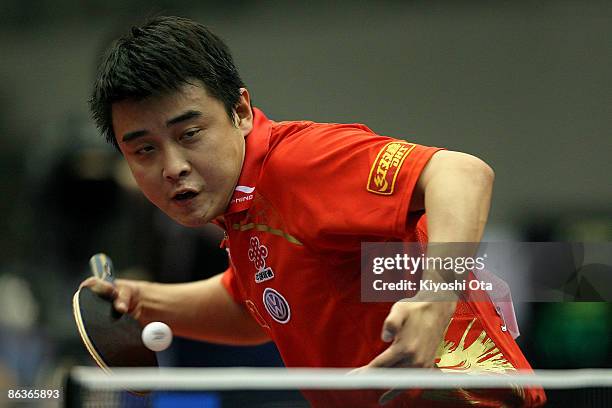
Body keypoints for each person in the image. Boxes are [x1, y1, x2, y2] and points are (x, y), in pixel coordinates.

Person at [81, 16, 546, 407]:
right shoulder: (246, 209)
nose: (172, 168)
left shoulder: (299, 162)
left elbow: (462, 173)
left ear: (240, 111)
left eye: (189, 134)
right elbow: (253, 308)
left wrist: (435, 299)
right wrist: (140, 299)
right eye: (143, 150)